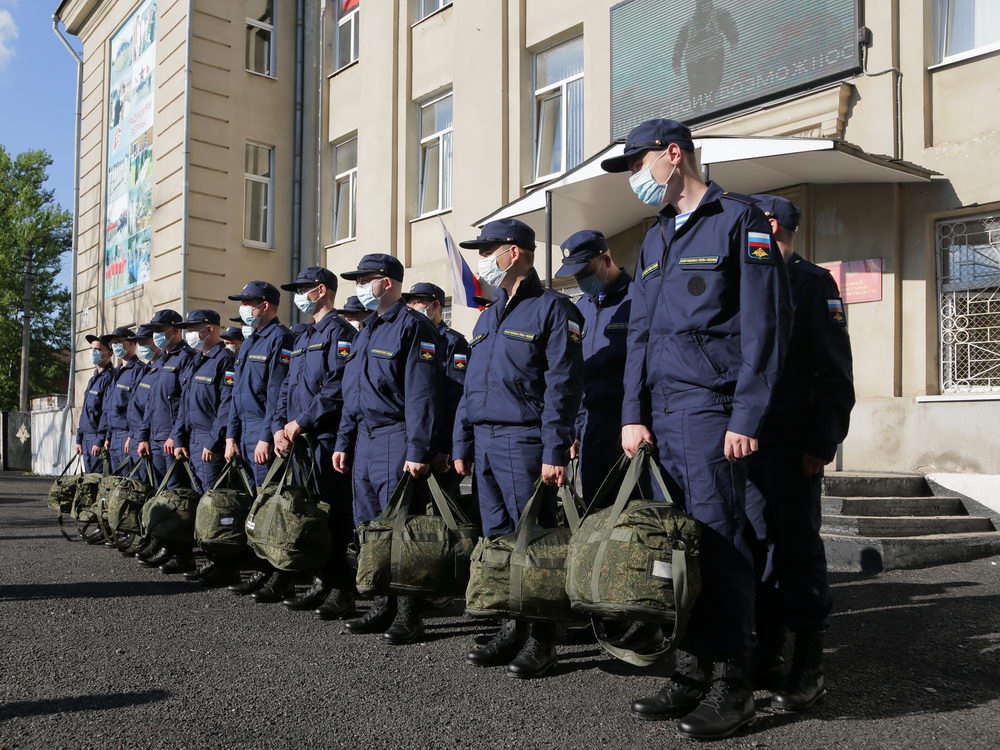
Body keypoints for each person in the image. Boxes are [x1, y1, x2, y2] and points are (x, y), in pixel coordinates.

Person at [600, 118, 790, 740]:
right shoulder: (655, 239)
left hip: (714, 411)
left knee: (720, 544)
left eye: (637, 165)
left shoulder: (740, 221)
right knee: (673, 548)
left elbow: (765, 329)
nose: (635, 178)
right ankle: (688, 671)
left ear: (672, 155)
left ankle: (735, 686)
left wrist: (746, 416)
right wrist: (632, 413)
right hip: (661, 417)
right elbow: (641, 338)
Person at [454, 218, 584, 679]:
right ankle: (513, 625)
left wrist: (554, 449)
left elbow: (562, 386)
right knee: (500, 541)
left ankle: (545, 639)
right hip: (487, 442)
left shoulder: (553, 309)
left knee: (536, 542)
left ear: (515, 252)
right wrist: (463, 441)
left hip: (525, 441)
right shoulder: (488, 315)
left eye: (489, 250)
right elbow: (471, 386)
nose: (483, 260)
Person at [745, 194, 854, 711]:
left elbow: (835, 373)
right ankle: (767, 652)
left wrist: (821, 442)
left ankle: (809, 663)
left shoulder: (813, 284)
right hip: (753, 443)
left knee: (798, 552)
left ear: (773, 225)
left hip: (795, 445)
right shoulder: (751, 279)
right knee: (758, 550)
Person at [332, 253, 442, 644]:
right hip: (364, 439)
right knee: (369, 528)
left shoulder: (414, 327)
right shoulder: (368, 329)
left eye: (367, 279)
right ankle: (382, 605)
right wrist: (345, 440)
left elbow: (422, 394)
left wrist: (418, 449)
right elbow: (352, 392)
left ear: (389, 283)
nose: (360, 286)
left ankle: (409, 613)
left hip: (397, 437)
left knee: (400, 528)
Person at [272, 267, 358, 619]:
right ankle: (322, 581)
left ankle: (342, 589)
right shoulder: (304, 336)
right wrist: (280, 426)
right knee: (312, 513)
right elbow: (288, 387)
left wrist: (301, 422)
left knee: (335, 515)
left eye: (303, 289)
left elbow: (337, 387)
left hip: (325, 438)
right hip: (299, 440)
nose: (298, 295)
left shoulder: (340, 332)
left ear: (321, 291)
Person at [223, 281, 296, 601]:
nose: (243, 308)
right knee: (257, 505)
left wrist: (267, 436)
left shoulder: (280, 338)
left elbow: (278, 393)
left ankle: (281, 575)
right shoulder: (252, 341)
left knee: (271, 507)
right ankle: (263, 569)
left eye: (248, 302)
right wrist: (231, 436)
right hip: (246, 431)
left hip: (263, 432)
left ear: (265, 305)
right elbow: (238, 396)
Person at [554, 230, 633, 501]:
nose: (581, 280)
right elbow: (577, 373)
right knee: (594, 510)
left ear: (606, 260)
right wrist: (574, 430)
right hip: (590, 427)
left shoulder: (638, 298)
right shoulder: (582, 309)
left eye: (585, 271)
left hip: (627, 426)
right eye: (576, 275)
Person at [165, 309, 235, 577]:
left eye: (195, 328)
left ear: (210, 329)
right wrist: (180, 437)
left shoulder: (225, 361)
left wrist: (214, 441)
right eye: (188, 328)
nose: (190, 334)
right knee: (199, 503)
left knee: (215, 505)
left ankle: (224, 563)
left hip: (209, 442)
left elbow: (227, 406)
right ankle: (207, 558)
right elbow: (185, 404)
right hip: (192, 441)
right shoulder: (196, 361)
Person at [134, 309, 197, 570]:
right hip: (157, 439)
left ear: (175, 329)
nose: (158, 336)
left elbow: (186, 402)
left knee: (178, 499)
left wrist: (176, 434)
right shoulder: (161, 361)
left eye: (161, 331)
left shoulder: (186, 359)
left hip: (173, 440)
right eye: (156, 332)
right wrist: (144, 436)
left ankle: (183, 555)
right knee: (162, 499)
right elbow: (150, 405)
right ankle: (164, 544)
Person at [402, 282, 469, 499]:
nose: (412, 306)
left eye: (418, 301)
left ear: (435, 305)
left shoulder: (453, 342)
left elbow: (455, 397)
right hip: (414, 440)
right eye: (410, 302)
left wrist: (447, 447)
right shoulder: (412, 336)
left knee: (443, 508)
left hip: (439, 441)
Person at [672, 0, 739, 110]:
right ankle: (697, 113)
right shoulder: (689, 24)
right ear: (698, 6)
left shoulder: (720, 14)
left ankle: (709, 108)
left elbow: (730, 26)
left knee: (714, 82)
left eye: (706, 3)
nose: (704, 6)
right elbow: (680, 43)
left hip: (714, 53)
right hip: (694, 59)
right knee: (695, 87)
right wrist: (676, 62)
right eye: (702, 4)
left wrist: (733, 41)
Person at [96, 326, 144, 475]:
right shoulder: (116, 373)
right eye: (113, 343)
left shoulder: (139, 370)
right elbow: (109, 408)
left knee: (131, 483)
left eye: (119, 341)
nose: (115, 346)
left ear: (131, 343)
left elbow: (138, 407)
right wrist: (108, 437)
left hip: (127, 435)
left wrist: (132, 435)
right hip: (114, 437)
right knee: (116, 483)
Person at [77, 333, 115, 471]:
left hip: (97, 439)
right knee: (89, 481)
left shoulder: (110, 377)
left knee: (98, 480)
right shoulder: (94, 378)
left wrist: (100, 440)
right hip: (87, 438)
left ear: (109, 353)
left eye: (98, 349)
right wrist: (79, 438)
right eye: (92, 349)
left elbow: (106, 412)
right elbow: (86, 410)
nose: (93, 352)